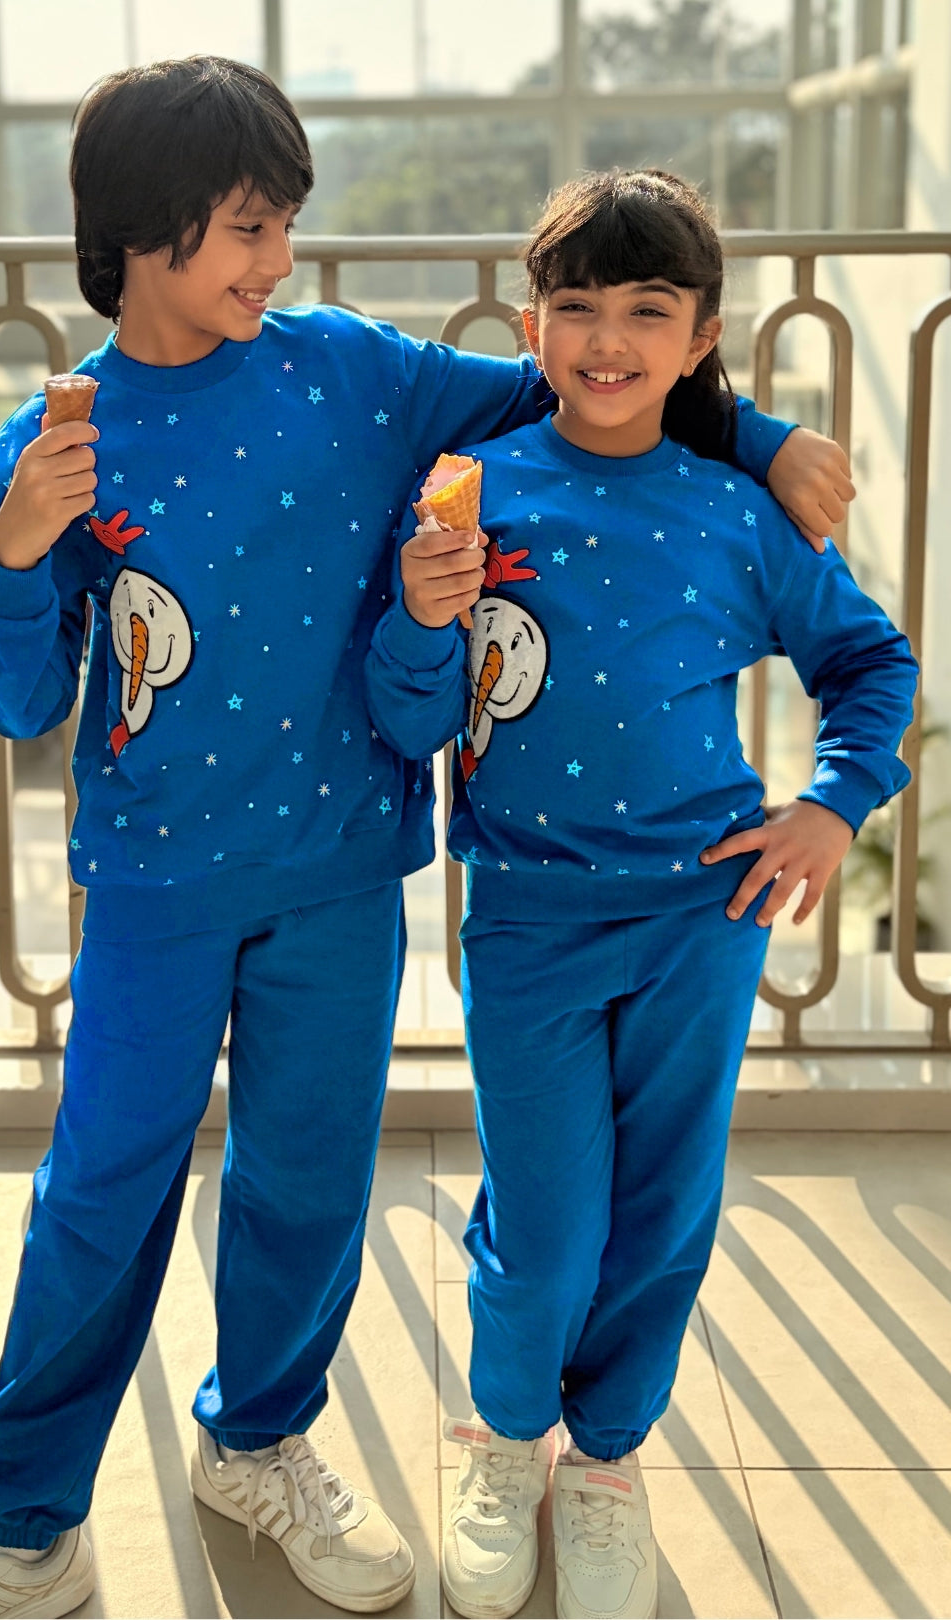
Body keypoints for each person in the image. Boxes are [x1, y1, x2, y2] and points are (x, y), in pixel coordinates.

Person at [0, 54, 849, 1618]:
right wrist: (10, 548)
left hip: (339, 875)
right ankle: (22, 1529)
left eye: (285, 223)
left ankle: (259, 1441)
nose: (281, 259)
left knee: (309, 1184)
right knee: (101, 1195)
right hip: (156, 887)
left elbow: (586, 389)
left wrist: (761, 432)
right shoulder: (54, 445)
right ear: (144, 227)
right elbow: (18, 697)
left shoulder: (351, 369)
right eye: (250, 227)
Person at [365, 169, 918, 1620]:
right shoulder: (470, 494)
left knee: (664, 1209)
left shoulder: (739, 513)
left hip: (702, 920)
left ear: (701, 338)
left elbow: (873, 664)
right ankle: (507, 1437)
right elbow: (411, 718)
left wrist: (829, 807)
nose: (608, 340)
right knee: (547, 1223)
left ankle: (608, 1458)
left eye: (648, 312)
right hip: (527, 919)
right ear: (532, 327)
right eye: (577, 308)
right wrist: (423, 613)